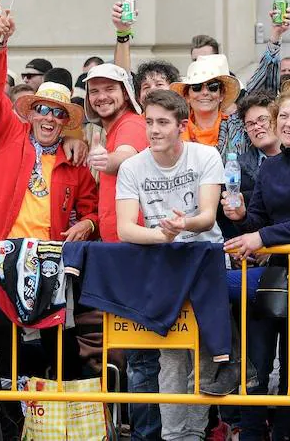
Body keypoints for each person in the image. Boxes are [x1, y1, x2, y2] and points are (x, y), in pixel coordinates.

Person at [222, 87, 290, 440]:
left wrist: (262, 238)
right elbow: (259, 218)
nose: (288, 123)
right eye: (283, 116)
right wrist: (241, 216)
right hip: (274, 275)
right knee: (256, 359)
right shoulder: (269, 167)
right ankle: (250, 427)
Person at [116, 89, 225, 441]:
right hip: (164, 262)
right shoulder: (133, 167)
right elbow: (125, 228)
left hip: (205, 260)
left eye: (163, 122)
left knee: (208, 352)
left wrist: (183, 225)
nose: (154, 130)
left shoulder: (206, 155)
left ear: (182, 125)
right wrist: (163, 236)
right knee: (174, 355)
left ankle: (194, 432)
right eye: (149, 122)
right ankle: (177, 436)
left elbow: (208, 217)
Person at [0, 12, 98, 244]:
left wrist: (88, 223)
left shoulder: (74, 161)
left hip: (48, 261)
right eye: (43, 110)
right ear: (31, 114)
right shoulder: (7, 135)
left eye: (59, 113)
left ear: (65, 122)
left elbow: (93, 208)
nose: (49, 118)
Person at [84, 62, 147, 241]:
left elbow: (126, 156)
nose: (102, 96)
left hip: (132, 245)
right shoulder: (114, 128)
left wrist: (106, 161)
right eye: (94, 91)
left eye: (109, 89)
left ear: (126, 93)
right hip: (120, 244)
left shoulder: (130, 124)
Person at [170, 54, 247, 159]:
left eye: (213, 87)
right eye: (197, 87)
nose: (205, 92)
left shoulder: (239, 127)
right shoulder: (175, 131)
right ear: (187, 96)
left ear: (221, 95)